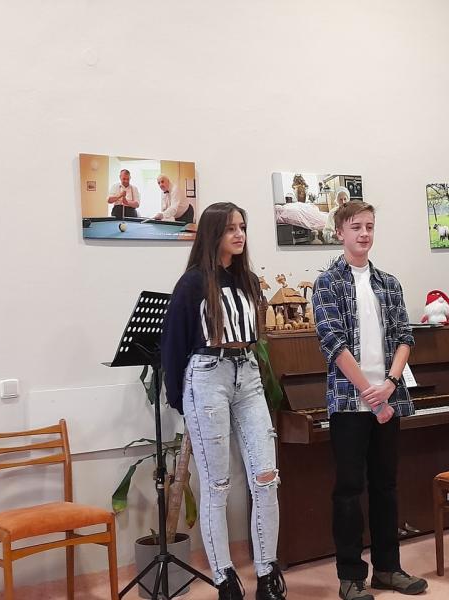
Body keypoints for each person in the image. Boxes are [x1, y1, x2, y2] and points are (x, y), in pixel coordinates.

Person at [161, 202, 287, 600]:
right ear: (213, 233)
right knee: (217, 485)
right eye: (231, 228)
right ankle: (224, 577)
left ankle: (267, 572)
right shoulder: (192, 283)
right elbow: (173, 346)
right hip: (207, 376)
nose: (239, 235)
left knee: (266, 477)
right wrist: (180, 399)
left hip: (246, 374)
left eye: (243, 227)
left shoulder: (247, 279)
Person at [312, 202, 428, 600]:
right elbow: (333, 343)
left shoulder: (388, 283)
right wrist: (369, 392)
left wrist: (390, 384)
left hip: (389, 397)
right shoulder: (327, 282)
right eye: (356, 227)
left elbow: (404, 337)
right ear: (340, 232)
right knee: (348, 489)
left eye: (370, 227)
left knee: (386, 486)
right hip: (350, 402)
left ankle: (388, 569)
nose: (364, 233)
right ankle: (350, 576)